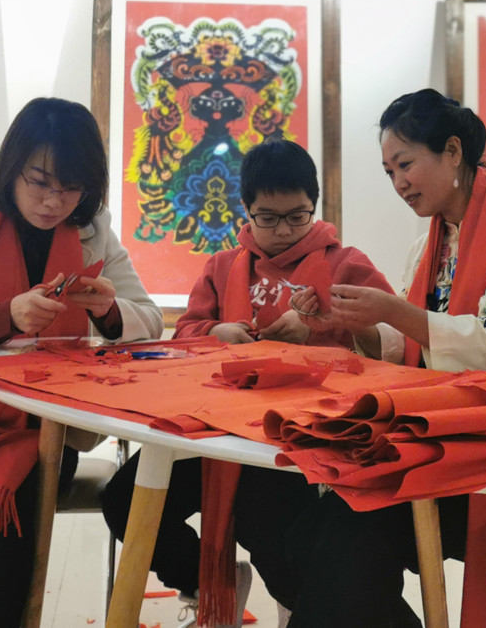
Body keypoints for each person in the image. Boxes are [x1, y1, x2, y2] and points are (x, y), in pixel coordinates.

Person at [246, 88, 486, 628]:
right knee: (308, 530)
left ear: (452, 152)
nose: (398, 183)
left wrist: (394, 311)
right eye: (388, 171)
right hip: (441, 434)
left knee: (340, 538)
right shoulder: (429, 246)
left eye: (405, 164)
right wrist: (351, 324)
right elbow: (409, 351)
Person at [99, 139, 394, 626]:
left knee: (270, 532)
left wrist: (321, 331)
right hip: (215, 436)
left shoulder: (345, 264)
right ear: (246, 209)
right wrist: (217, 333)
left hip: (296, 441)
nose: (284, 231)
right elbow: (184, 336)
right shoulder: (223, 267)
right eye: (268, 218)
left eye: (297, 216)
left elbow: (391, 345)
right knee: (124, 500)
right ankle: (209, 583)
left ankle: (309, 610)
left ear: (315, 205)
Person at [0, 97, 163, 628]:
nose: (53, 201)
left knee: (8, 540)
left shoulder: (93, 230)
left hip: (43, 432)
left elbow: (150, 320)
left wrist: (108, 311)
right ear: (12, 166)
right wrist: (4, 317)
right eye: (39, 181)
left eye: (71, 187)